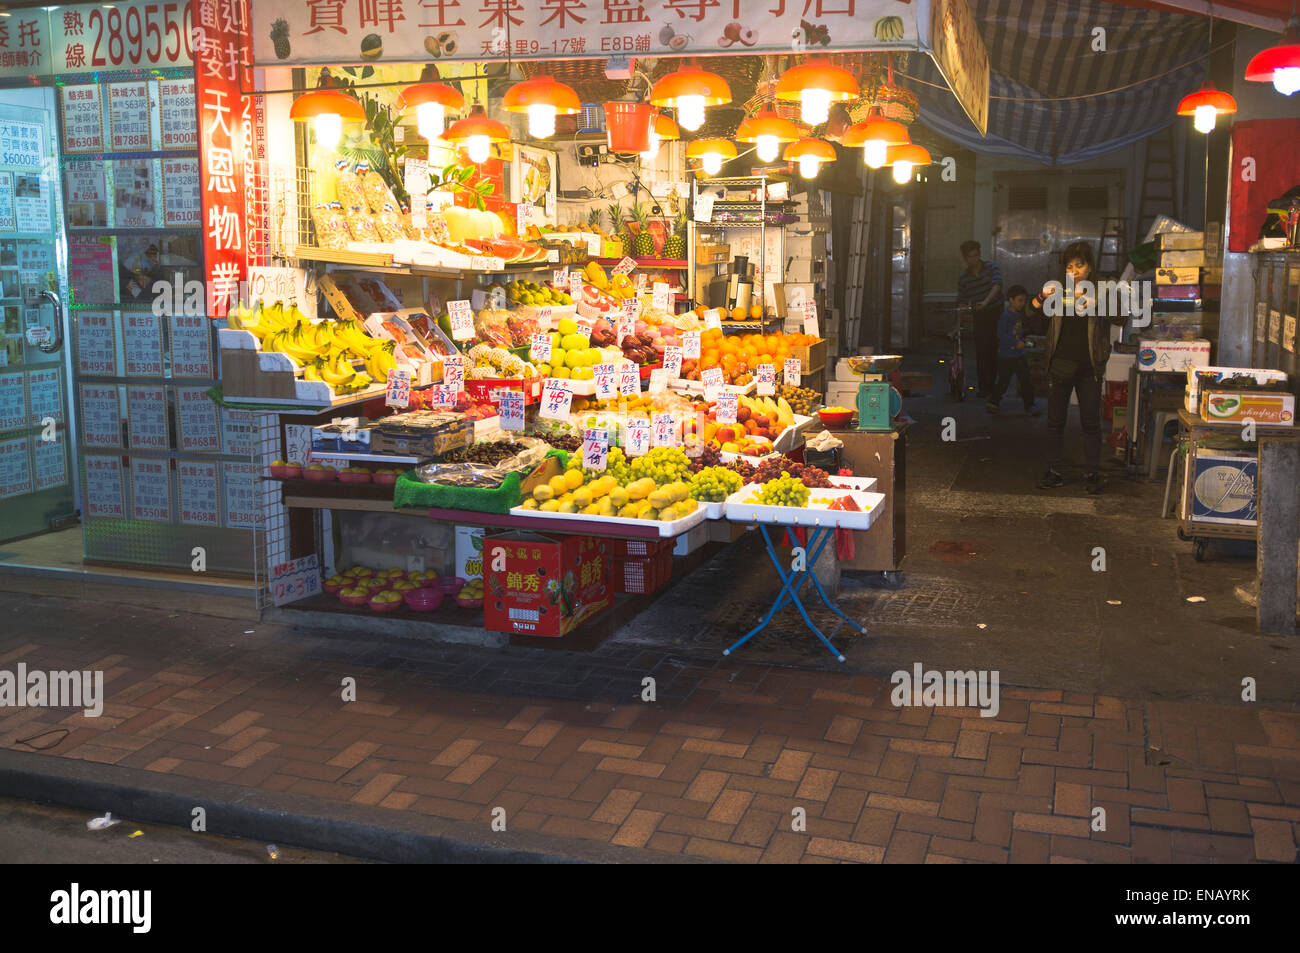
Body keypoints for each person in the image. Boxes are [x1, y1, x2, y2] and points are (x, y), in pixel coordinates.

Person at [1030, 241, 1125, 494]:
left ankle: (1092, 473)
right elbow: (1031, 312)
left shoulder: (1103, 290)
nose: (1075, 271)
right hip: (1059, 365)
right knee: (1055, 422)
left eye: (1080, 266)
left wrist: (1097, 302)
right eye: (1070, 267)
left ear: (1090, 267)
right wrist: (1042, 297)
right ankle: (1053, 471)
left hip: (1089, 367)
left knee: (1091, 422)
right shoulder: (1058, 290)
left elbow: (1122, 317)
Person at [956, 240, 1004, 397]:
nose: (973, 259)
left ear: (979, 254)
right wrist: (958, 323)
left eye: (976, 255)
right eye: (970, 257)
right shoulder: (964, 277)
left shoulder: (991, 267)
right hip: (980, 315)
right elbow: (962, 301)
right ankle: (985, 387)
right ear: (965, 258)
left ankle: (996, 385)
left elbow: (997, 286)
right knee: (982, 351)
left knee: (994, 349)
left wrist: (986, 301)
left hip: (996, 312)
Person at [987, 285, 1038, 415]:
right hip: (1006, 356)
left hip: (1019, 355)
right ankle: (993, 402)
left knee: (1026, 380)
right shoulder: (1006, 316)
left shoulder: (1018, 315)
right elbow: (1001, 334)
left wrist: (1023, 340)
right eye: (1020, 300)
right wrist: (1016, 343)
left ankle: (1030, 406)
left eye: (1024, 300)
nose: (1023, 303)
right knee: (1004, 381)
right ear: (1011, 300)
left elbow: (1017, 332)